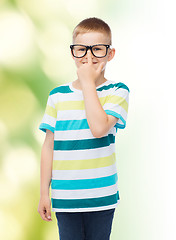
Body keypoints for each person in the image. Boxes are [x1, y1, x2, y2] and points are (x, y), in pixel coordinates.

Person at [37, 17, 130, 240]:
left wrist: (88, 83)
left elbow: (99, 128)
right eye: (81, 50)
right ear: (73, 53)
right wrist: (43, 193)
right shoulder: (57, 96)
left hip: (101, 196)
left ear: (110, 54)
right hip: (66, 198)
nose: (88, 57)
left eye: (97, 49)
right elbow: (48, 147)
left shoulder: (117, 91)